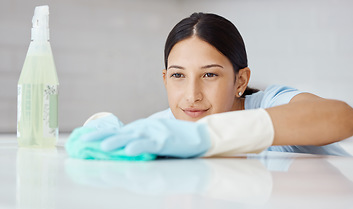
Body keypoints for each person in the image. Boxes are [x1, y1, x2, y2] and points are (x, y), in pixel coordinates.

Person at [66, 13, 353, 159]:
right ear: (165, 79)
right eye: (178, 76)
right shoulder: (168, 128)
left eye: (210, 75)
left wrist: (213, 135)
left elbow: (341, 117)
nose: (192, 95)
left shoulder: (268, 104)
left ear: (241, 80)